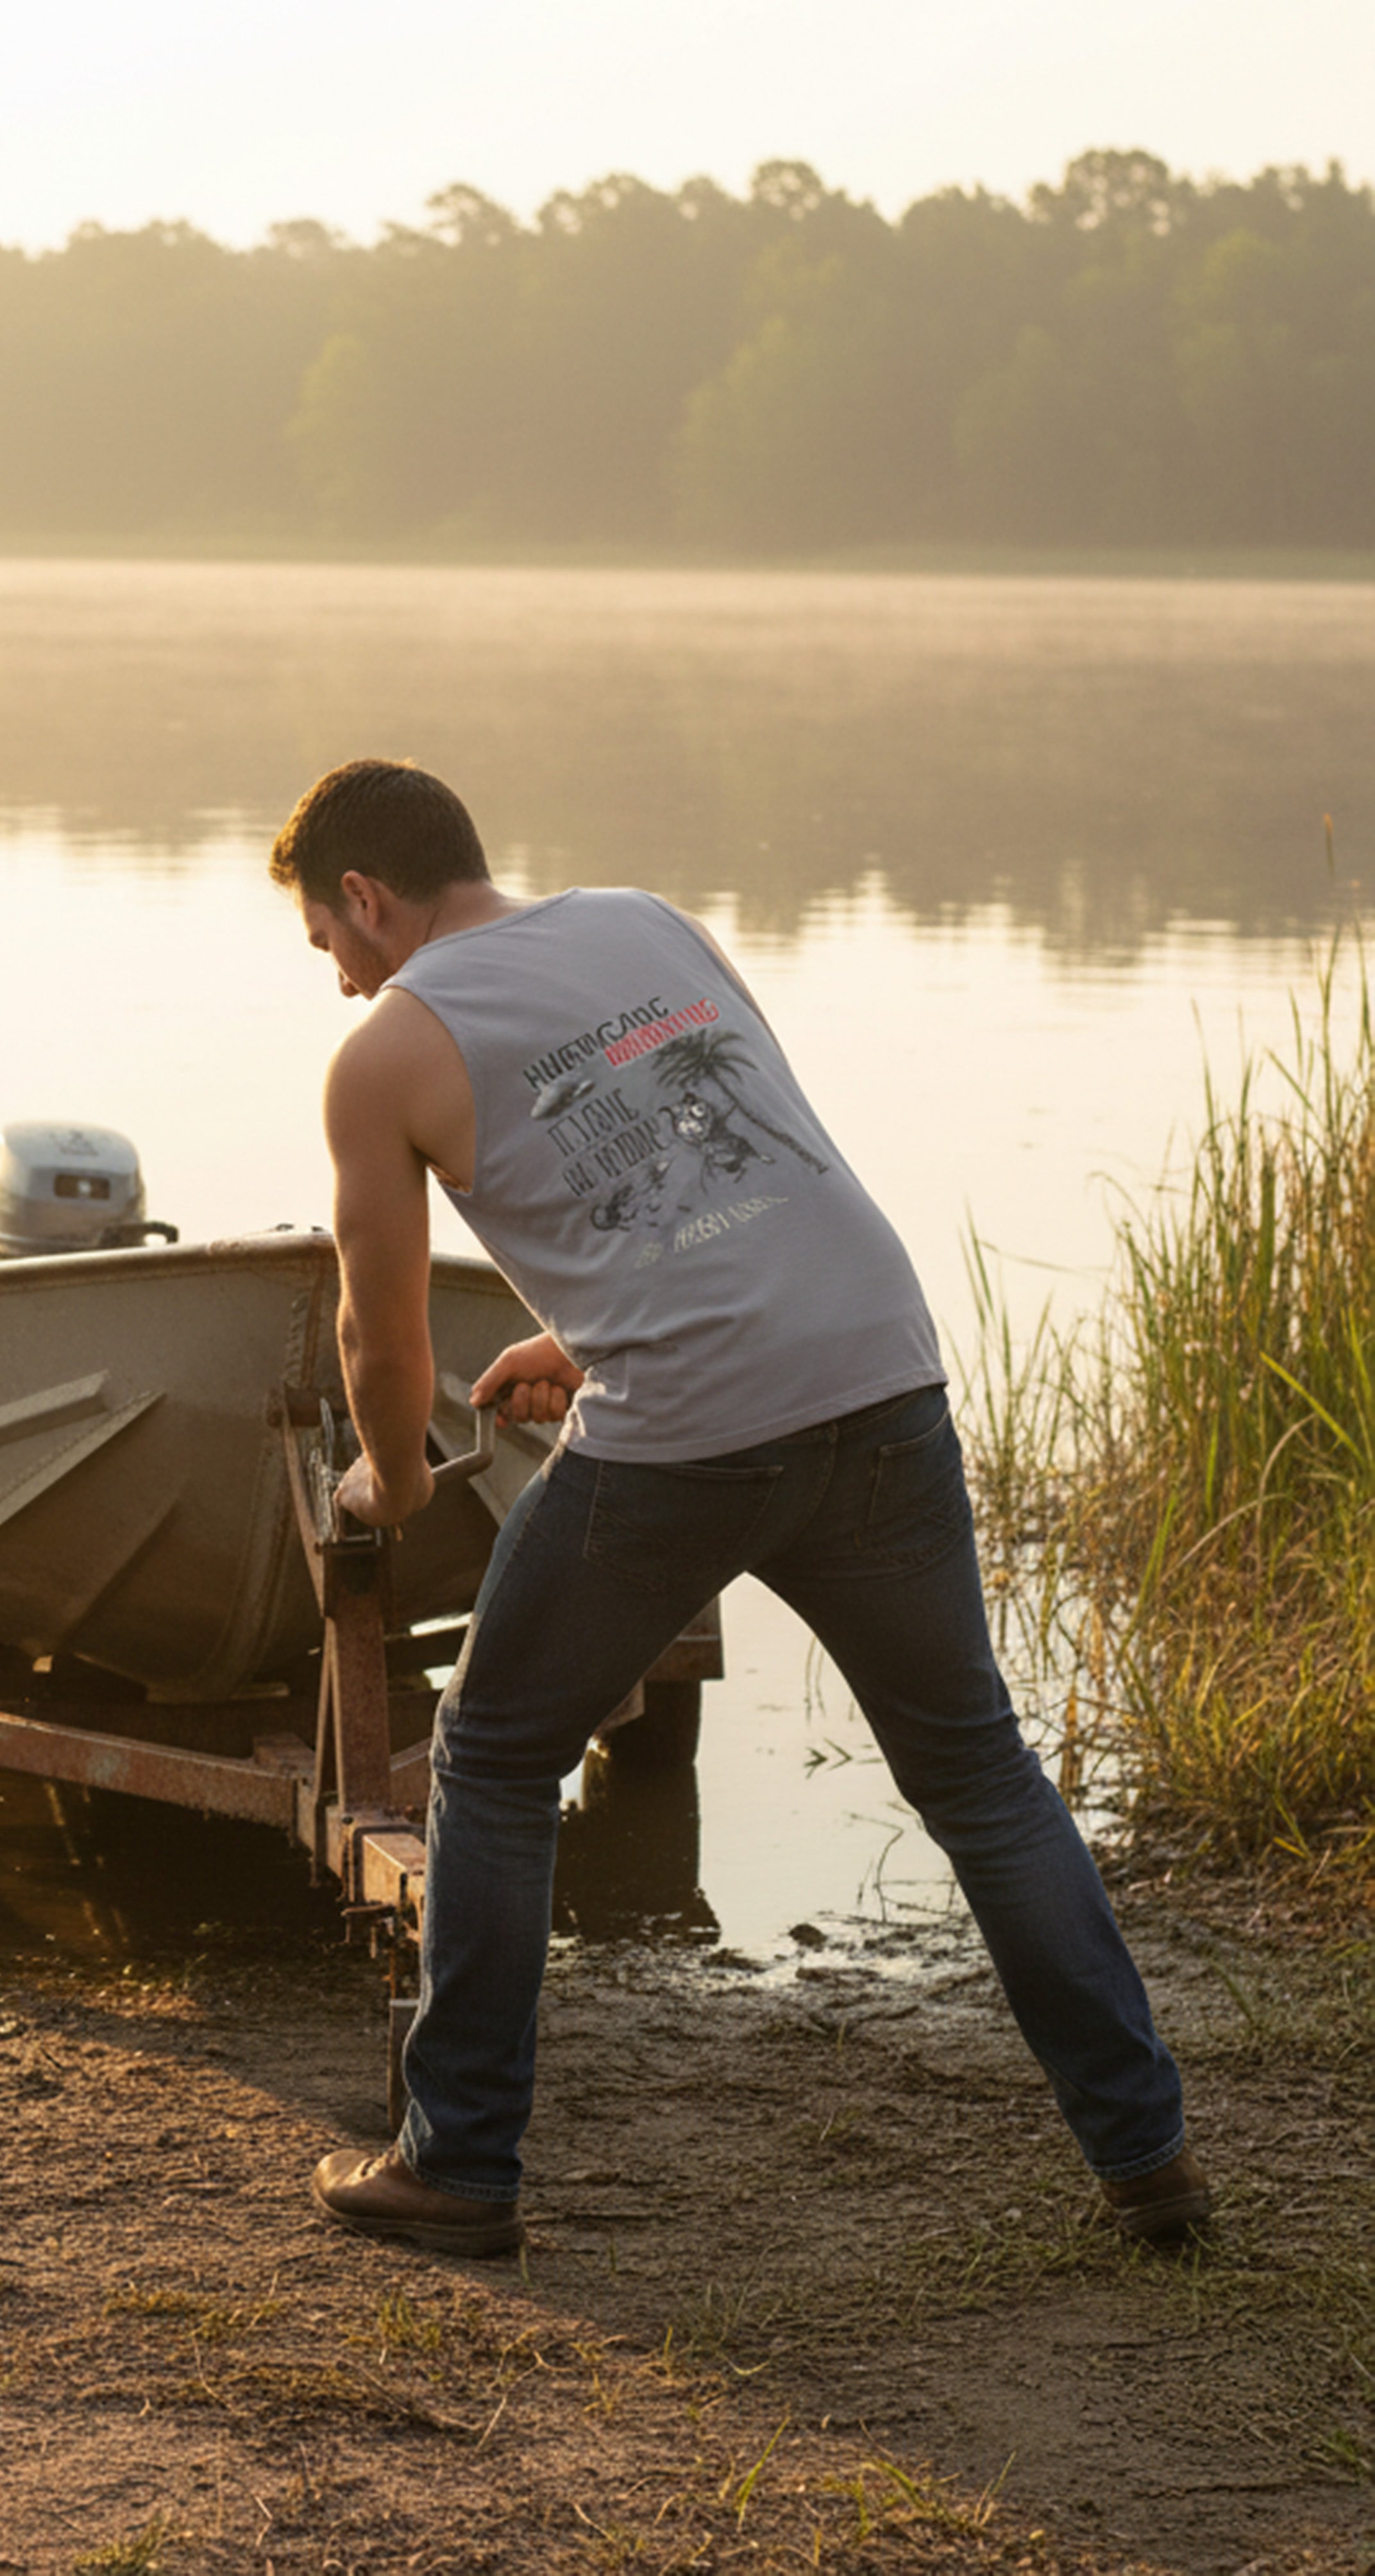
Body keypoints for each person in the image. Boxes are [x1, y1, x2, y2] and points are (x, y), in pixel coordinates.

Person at [272, 757, 1208, 2257]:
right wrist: (584, 1340)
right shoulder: (647, 921)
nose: (334, 980)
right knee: (975, 1774)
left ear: (365, 900)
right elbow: (744, 1160)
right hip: (879, 1367)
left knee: (496, 1755)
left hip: (695, 1435)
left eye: (326, 941)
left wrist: (386, 1478)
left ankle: (457, 2164)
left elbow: (375, 1340)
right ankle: (1145, 2156)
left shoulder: (385, 1054)